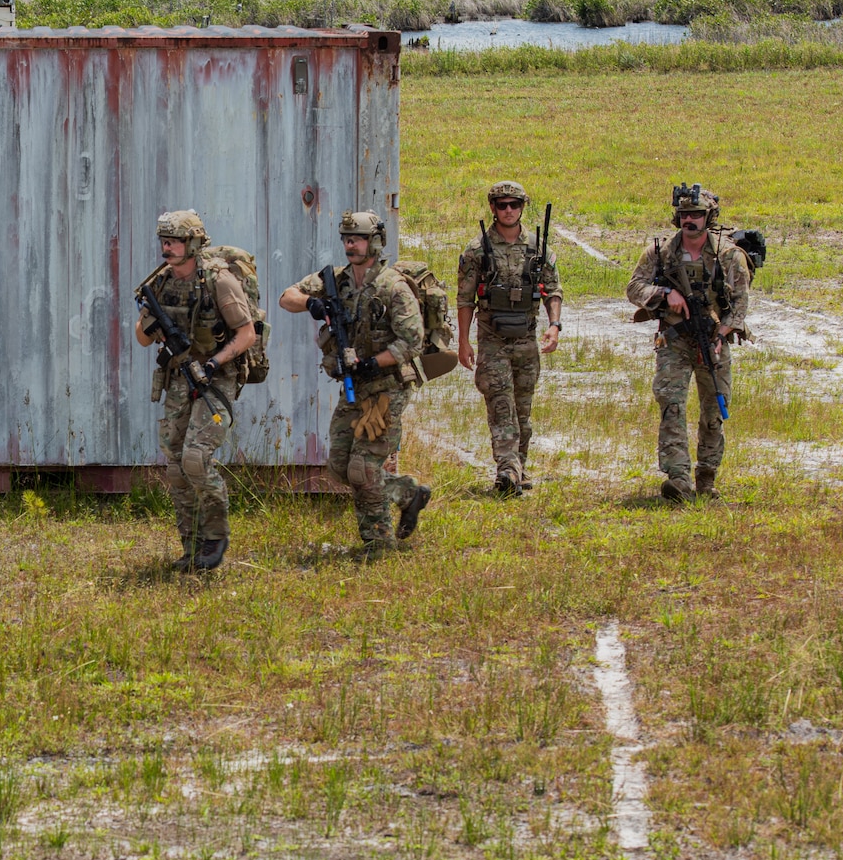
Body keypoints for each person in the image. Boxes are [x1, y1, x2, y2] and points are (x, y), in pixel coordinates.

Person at [279, 211, 430, 559]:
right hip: (353, 386)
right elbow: (287, 298)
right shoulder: (335, 281)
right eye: (346, 238)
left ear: (375, 242)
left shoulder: (393, 287)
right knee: (339, 465)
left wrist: (374, 362)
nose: (350, 244)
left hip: (385, 386)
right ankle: (408, 494)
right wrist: (313, 304)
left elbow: (412, 342)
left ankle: (378, 544)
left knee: (362, 468)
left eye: (357, 238)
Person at [135, 211, 259, 572]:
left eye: (173, 241)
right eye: (163, 241)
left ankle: (215, 536)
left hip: (216, 375)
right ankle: (190, 545)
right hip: (179, 376)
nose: (166, 248)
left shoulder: (218, 282)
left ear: (192, 244)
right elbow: (142, 340)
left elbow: (246, 333)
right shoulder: (159, 284)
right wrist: (150, 321)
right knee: (175, 462)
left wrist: (214, 363)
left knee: (196, 457)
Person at [627, 186, 752, 502]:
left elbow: (739, 304)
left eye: (696, 214)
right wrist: (665, 295)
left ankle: (706, 479)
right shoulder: (660, 252)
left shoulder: (729, 255)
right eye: (684, 214)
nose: (690, 220)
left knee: (714, 412)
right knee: (671, 406)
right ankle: (678, 479)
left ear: (709, 217)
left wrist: (722, 334)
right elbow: (634, 288)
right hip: (674, 340)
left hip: (713, 342)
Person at [456, 181, 563, 495]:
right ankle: (507, 472)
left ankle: (520, 467)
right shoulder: (476, 250)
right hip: (492, 341)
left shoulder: (538, 248)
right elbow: (465, 300)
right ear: (492, 208)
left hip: (526, 340)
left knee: (522, 412)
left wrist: (555, 325)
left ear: (522, 207)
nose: (507, 210)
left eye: (514, 205)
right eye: (501, 205)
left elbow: (552, 291)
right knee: (501, 408)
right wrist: (464, 343)